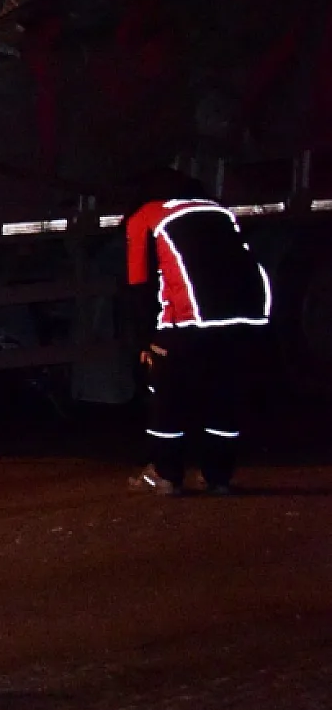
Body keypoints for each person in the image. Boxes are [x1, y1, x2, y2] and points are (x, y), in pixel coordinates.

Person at [124, 170, 272, 496]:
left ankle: (165, 475)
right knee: (224, 395)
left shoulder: (146, 216)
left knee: (167, 399)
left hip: (187, 322)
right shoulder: (220, 212)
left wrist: (145, 339)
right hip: (245, 317)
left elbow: (139, 285)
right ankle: (218, 477)